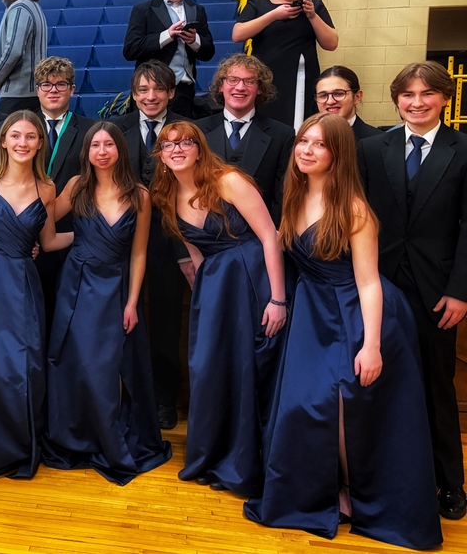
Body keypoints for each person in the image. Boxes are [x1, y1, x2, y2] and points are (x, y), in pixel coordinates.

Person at [245, 113, 442, 549]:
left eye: (318, 144)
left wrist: (372, 345)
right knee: (305, 406)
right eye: (302, 142)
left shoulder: (353, 208)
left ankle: (358, 495)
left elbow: (369, 282)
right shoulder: (293, 199)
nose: (306, 150)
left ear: (338, 154)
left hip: (356, 313)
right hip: (312, 315)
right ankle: (322, 491)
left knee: (341, 409)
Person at [149, 121, 286, 495]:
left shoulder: (228, 181)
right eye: (168, 145)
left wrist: (278, 298)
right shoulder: (166, 193)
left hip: (251, 277)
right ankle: (214, 456)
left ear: (199, 147)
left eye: (185, 143)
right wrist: (204, 297)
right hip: (215, 287)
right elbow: (194, 251)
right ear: (160, 155)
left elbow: (270, 238)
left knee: (249, 366)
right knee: (212, 367)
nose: (176, 150)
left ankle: (248, 463)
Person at [357, 61, 467, 521]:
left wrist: (460, 290)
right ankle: (380, 476)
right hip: (379, 286)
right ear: (396, 99)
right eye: (407, 95)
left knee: (435, 388)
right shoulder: (370, 148)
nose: (416, 103)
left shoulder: (464, 149)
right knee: (377, 386)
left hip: (437, 292)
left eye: (427, 94)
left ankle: (450, 483)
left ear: (445, 98)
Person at [42, 121, 171, 484]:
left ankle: (111, 433)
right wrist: (69, 242)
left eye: (108, 144)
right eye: (95, 144)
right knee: (80, 362)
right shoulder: (76, 187)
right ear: (87, 152)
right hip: (78, 284)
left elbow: (139, 253)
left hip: (117, 286)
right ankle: (81, 434)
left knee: (113, 364)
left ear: (120, 150)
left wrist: (132, 303)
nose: (102, 151)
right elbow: (42, 219)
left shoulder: (139, 195)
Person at [0, 111, 72, 478]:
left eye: (30, 136)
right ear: (3, 141)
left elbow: (50, 241)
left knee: (23, 365)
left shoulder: (48, 188)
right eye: (16, 136)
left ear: (41, 143)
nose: (22, 143)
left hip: (24, 282)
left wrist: (96, 232)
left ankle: (18, 444)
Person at [110, 61, 193, 429]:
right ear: (133, 94)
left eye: (158, 89)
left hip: (169, 242)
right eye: (143, 90)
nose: (150, 96)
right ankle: (120, 394)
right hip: (120, 240)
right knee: (118, 319)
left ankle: (163, 399)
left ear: (171, 93)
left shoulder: (188, 131)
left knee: (165, 322)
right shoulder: (117, 130)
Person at [232, 0, 338, 129]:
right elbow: (237, 34)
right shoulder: (258, 3)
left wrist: (312, 16)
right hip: (268, 74)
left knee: (301, 118)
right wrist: (274, 15)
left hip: (301, 74)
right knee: (268, 119)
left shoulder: (313, 4)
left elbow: (331, 43)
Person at [33, 56, 95, 327]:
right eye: (46, 84)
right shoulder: (20, 128)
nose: (53, 90)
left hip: (72, 238)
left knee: (70, 319)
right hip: (27, 240)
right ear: (37, 89)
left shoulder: (90, 131)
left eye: (61, 84)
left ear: (72, 88)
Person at [194, 53, 294, 222]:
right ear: (221, 85)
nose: (240, 87)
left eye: (249, 81)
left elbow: (281, 195)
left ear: (260, 88)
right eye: (232, 80)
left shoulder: (282, 135)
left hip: (258, 237)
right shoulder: (196, 130)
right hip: (205, 236)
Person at [123, 0, 215, 118]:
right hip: (152, 89)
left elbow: (209, 52)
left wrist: (195, 41)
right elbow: (130, 50)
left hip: (184, 91)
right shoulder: (143, 10)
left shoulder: (197, 9)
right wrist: (166, 36)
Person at [0, 0, 47, 114]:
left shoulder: (20, 8)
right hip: (30, 94)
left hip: (17, 97)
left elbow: (14, 51)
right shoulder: (33, 6)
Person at [315, 65, 383, 140]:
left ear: (357, 97)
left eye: (338, 94)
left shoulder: (377, 140)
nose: (330, 101)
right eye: (323, 95)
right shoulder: (305, 138)